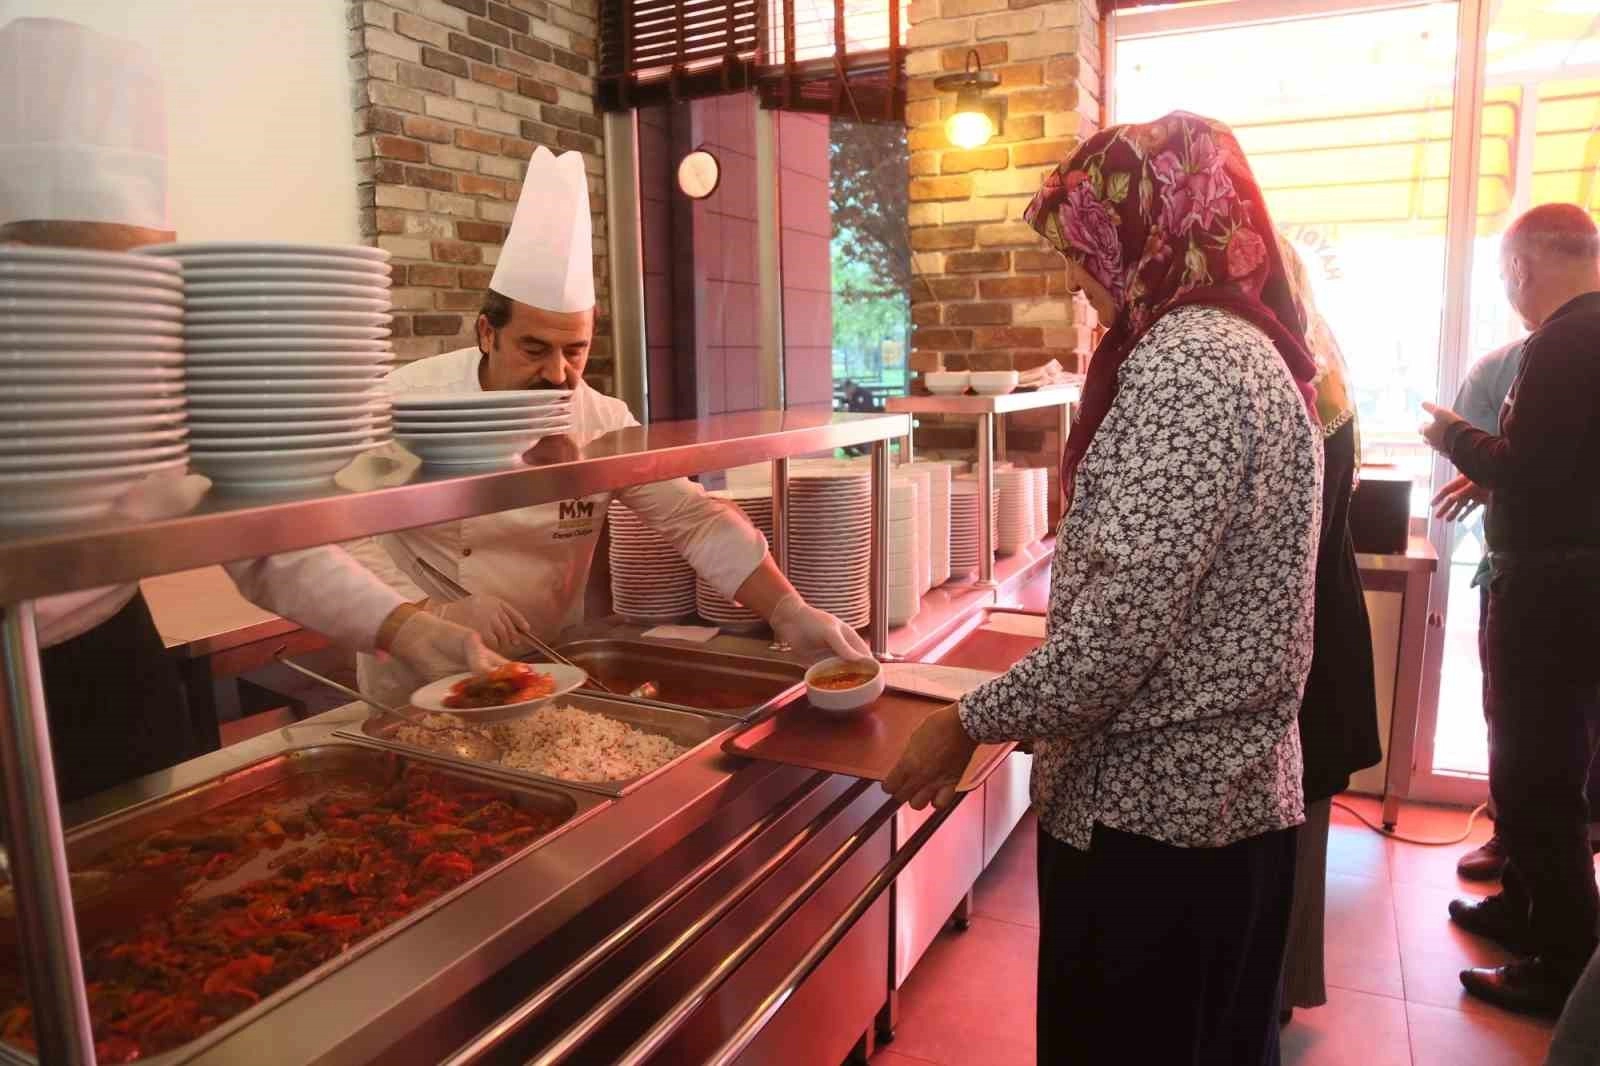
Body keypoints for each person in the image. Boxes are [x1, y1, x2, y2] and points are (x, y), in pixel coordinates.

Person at [884, 112, 1324, 1064]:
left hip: (1157, 827)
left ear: (1146, 230)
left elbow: (1116, 638)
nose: (1078, 284)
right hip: (1219, 810)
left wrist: (968, 722)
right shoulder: (1244, 346)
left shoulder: (1189, 362)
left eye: (1082, 250)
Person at [0, 17, 500, 804]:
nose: (118, 306)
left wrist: (406, 628)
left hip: (112, 659)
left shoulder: (157, 344)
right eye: (77, 275)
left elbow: (256, 534)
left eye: (143, 273)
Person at [348, 147, 868, 704]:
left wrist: (788, 609)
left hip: (547, 662)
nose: (557, 374)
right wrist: (426, 615)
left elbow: (694, 519)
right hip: (418, 674)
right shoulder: (405, 405)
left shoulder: (601, 420)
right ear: (486, 333)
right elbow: (339, 533)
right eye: (533, 349)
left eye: (574, 350)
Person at [1420, 202, 1600, 1015]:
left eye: (1504, 274)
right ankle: (1523, 908)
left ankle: (1558, 961)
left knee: (1538, 776)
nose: (1508, 289)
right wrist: (1491, 468)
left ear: (1523, 267)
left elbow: (1529, 468)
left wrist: (1455, 435)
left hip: (1552, 595)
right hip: (1574, 590)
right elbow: (1564, 470)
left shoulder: (1561, 345)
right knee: (1541, 767)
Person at [1440, 338, 1600, 881]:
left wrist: (1455, 440)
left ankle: (1564, 863)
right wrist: (1488, 479)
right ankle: (1513, 843)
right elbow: (1495, 469)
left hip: (1571, 581)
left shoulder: (1572, 347)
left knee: (1567, 732)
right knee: (1512, 723)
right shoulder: (1498, 367)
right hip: (1515, 569)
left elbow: (1525, 469)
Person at [1274, 234, 1381, 1023]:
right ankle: (1277, 994)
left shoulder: (1286, 376)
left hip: (1303, 634)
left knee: (1289, 832)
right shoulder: (1320, 361)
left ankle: (1267, 999)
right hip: (1325, 621)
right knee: (1300, 830)